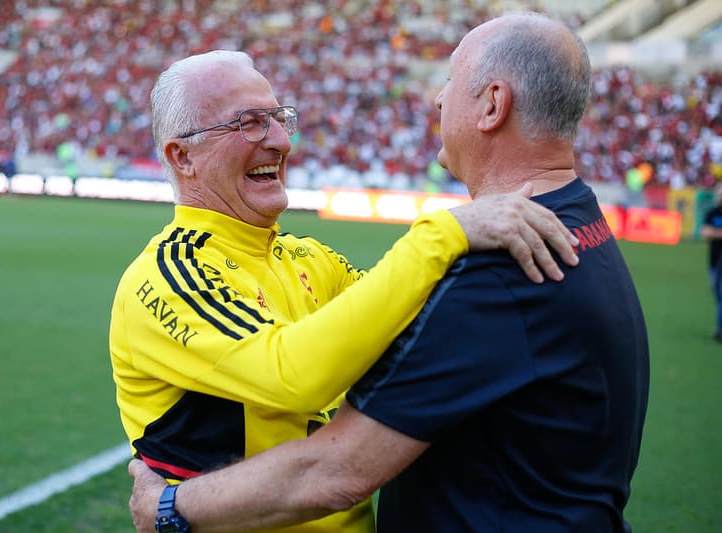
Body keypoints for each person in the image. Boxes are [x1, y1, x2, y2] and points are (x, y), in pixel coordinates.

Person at [128, 12, 649, 533]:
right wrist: (444, 234)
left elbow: (341, 464)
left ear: (492, 105)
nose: (281, 141)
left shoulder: (314, 259)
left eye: (277, 118)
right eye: (248, 123)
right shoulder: (168, 275)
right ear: (182, 157)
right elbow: (292, 376)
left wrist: (169, 508)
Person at [701, 183, 722, 341]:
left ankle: (720, 329)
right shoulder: (712, 213)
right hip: (714, 261)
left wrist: (714, 233)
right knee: (717, 292)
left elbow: (710, 232)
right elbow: (705, 232)